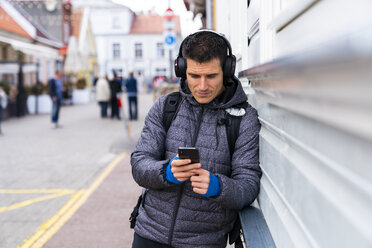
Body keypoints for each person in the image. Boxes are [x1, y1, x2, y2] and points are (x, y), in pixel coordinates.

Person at [131, 30, 261, 247]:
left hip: (204, 242)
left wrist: (218, 186)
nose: (202, 86)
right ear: (182, 70)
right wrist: (165, 172)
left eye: (211, 76)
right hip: (149, 234)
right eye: (194, 76)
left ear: (228, 71)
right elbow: (139, 163)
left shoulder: (244, 119)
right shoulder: (165, 107)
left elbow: (248, 186)